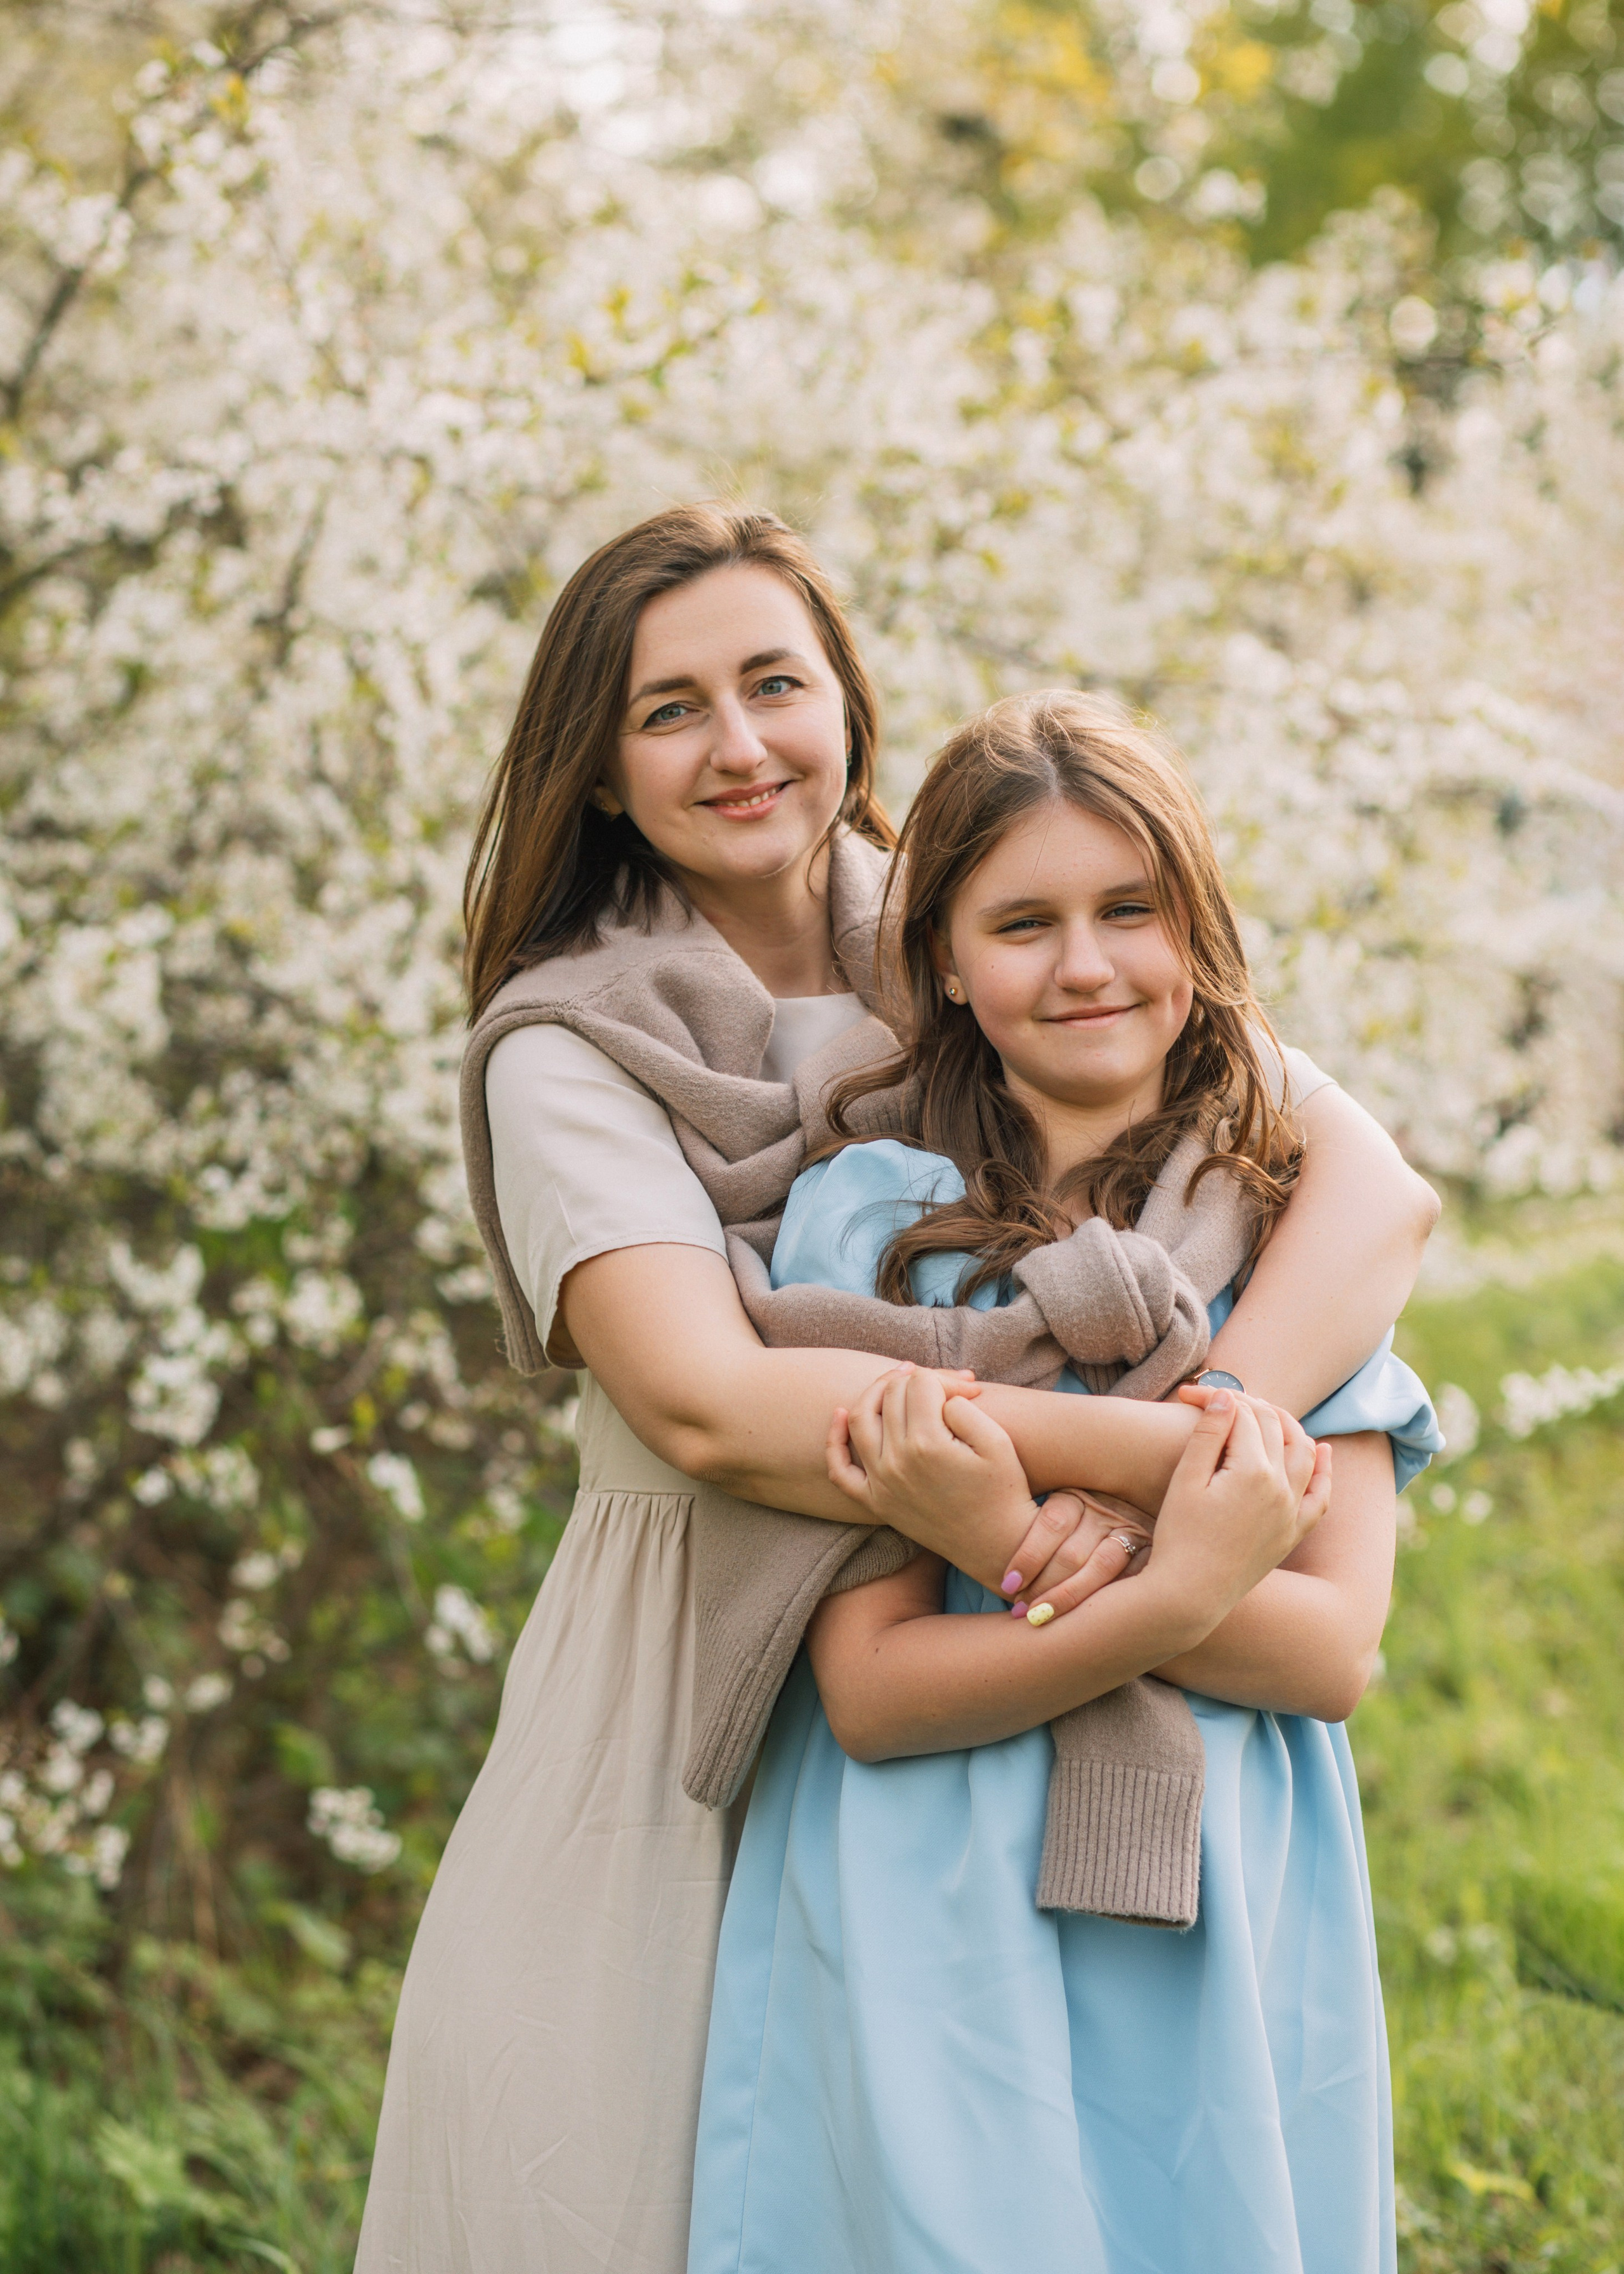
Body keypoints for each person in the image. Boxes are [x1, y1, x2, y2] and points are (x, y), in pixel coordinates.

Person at [355, 506, 1439, 2274]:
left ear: (848, 703)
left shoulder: (981, 912)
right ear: (601, 771)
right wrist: (1161, 1475)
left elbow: (1365, 1182)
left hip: (980, 1629)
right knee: (618, 2182)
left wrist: (1210, 1424)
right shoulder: (575, 1040)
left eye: (776, 682)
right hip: (704, 1635)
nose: (742, 744)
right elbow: (712, 1410)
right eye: (670, 709)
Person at [688, 690, 1439, 2274]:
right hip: (928, 1892)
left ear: (1196, 932)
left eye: (1127, 910)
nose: (1084, 963)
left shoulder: (1282, 1243)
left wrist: (1007, 1537)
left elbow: (1327, 1651)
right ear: (945, 964)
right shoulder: (868, 1233)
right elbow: (878, 1693)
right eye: (1021, 922)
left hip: (1221, 1891)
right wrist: (1141, 1567)